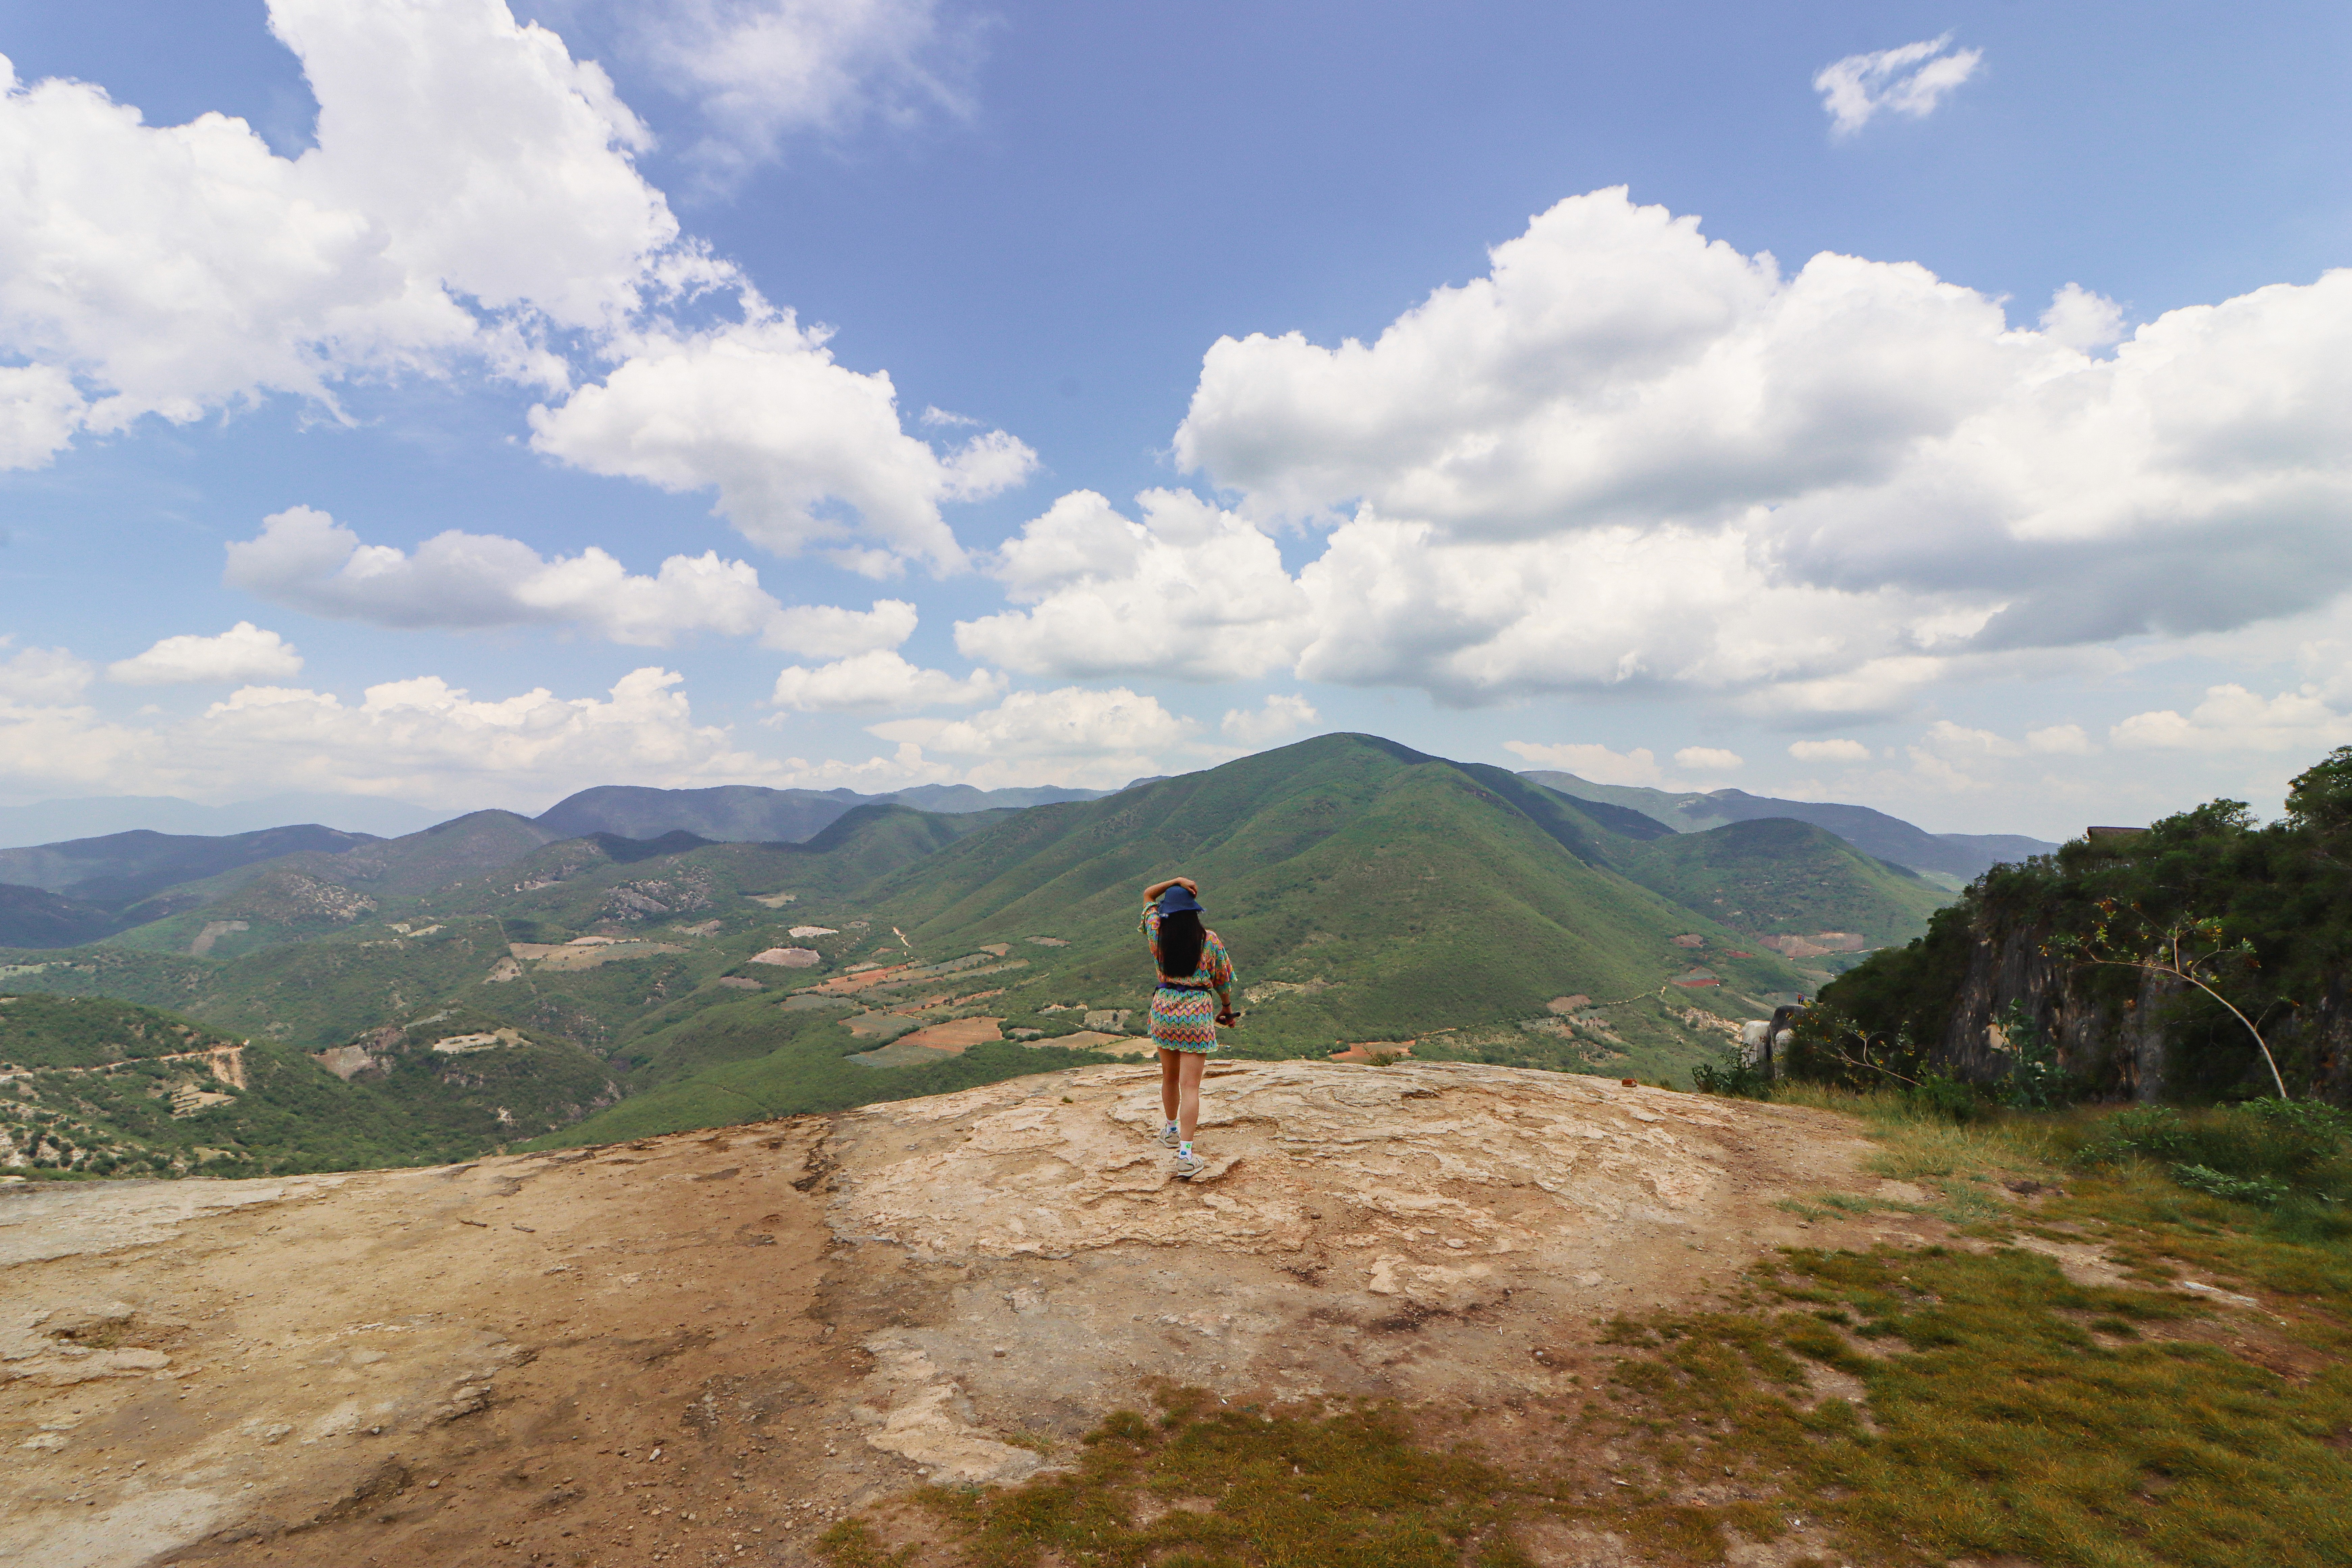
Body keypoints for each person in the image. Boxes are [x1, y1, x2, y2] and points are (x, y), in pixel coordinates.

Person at [1139, 876, 1239, 1180]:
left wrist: (1175, 881)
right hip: (1196, 1010)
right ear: (1195, 912)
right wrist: (1226, 1009)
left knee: (1168, 1077)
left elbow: (1147, 895)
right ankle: (1185, 1155)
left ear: (1166, 911)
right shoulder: (1209, 940)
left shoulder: (1157, 933)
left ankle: (1170, 1131)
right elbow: (1222, 980)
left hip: (1165, 1007)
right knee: (1190, 1086)